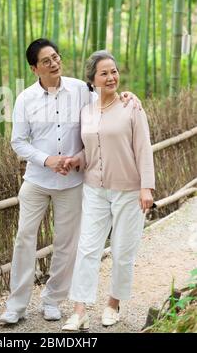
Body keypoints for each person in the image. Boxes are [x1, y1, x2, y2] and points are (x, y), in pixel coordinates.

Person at [0, 39, 139, 326]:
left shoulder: (80, 89)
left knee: (66, 242)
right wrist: (46, 159)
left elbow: (104, 114)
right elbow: (18, 142)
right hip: (37, 180)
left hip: (72, 181)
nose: (54, 63)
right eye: (46, 60)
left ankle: (53, 300)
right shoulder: (25, 98)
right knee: (24, 239)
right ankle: (16, 305)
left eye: (56, 57)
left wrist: (126, 96)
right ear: (34, 68)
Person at [61, 50, 155, 331]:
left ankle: (113, 304)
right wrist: (77, 159)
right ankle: (79, 311)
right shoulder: (86, 112)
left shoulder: (131, 107)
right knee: (87, 248)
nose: (111, 77)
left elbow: (143, 148)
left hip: (128, 190)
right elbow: (90, 150)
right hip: (95, 189)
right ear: (92, 80)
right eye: (104, 73)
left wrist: (146, 187)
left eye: (113, 71)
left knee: (123, 250)